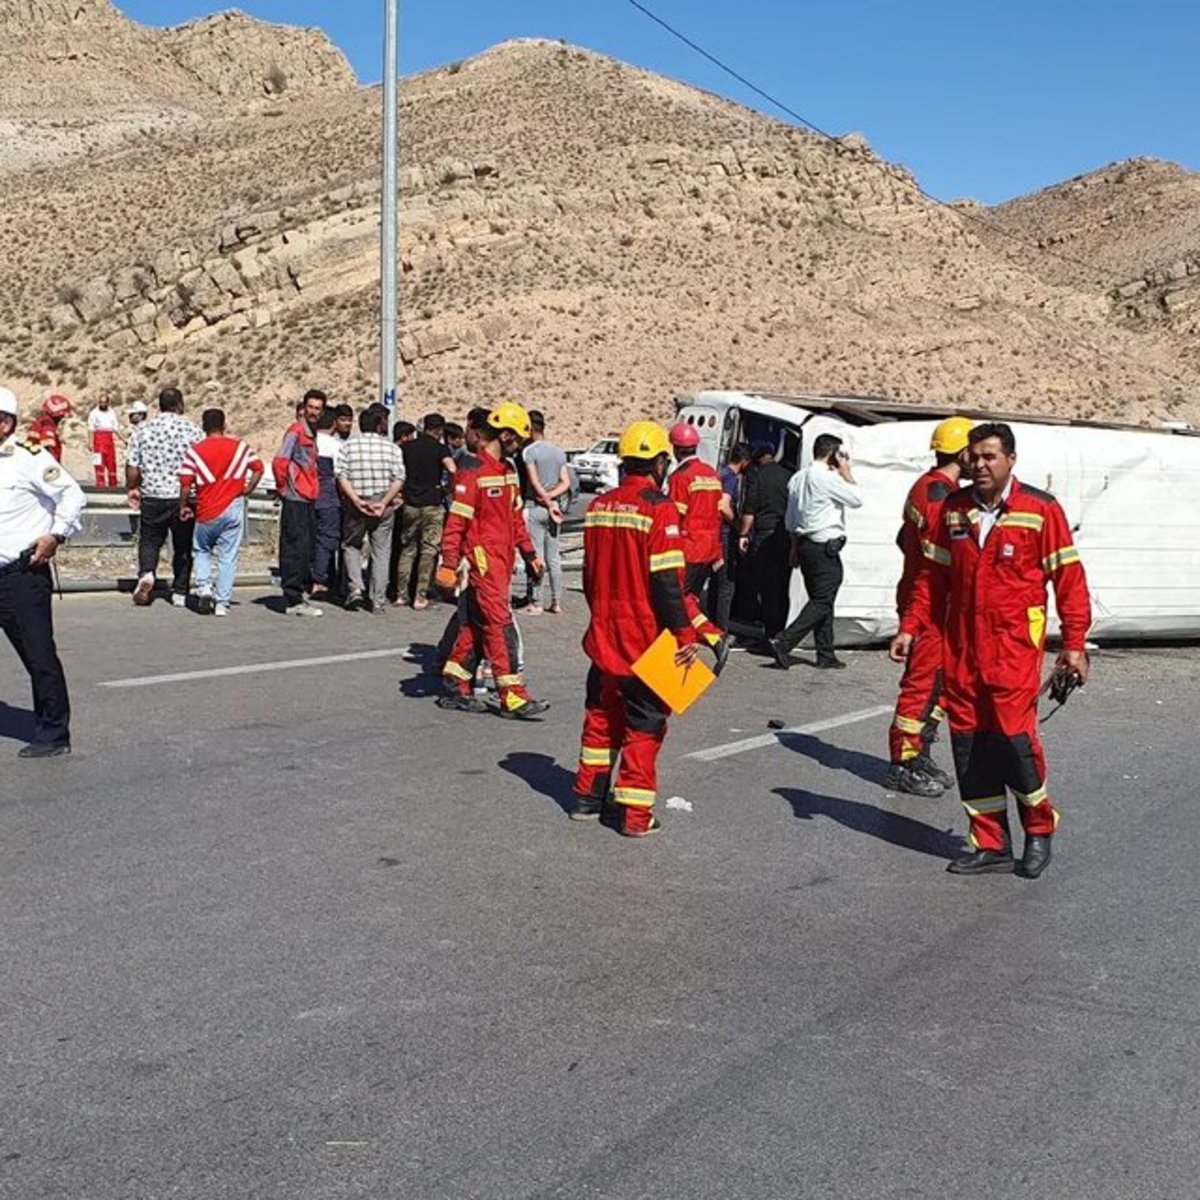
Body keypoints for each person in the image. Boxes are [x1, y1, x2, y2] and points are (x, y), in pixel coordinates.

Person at [890, 422, 1092, 879]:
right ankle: (990, 842)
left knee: (1015, 743)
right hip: (961, 651)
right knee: (970, 746)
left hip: (1012, 652)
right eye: (975, 457)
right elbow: (931, 580)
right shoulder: (954, 510)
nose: (980, 465)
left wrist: (1075, 644)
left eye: (990, 457)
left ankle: (1039, 831)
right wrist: (910, 627)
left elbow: (1070, 581)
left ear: (1010, 460)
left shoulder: (1040, 510)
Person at [571, 421, 703, 836]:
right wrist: (685, 635)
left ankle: (587, 800)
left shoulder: (599, 507)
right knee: (645, 726)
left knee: (600, 718)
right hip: (644, 638)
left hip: (604, 634)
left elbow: (590, 577)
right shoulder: (658, 508)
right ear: (660, 462)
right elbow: (666, 583)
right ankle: (634, 816)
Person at [435, 402, 548, 719]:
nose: (521, 447)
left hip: (504, 560)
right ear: (508, 435)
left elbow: (514, 520)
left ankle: (456, 680)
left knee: (475, 624)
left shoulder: (509, 472)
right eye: (520, 440)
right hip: (484, 561)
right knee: (500, 625)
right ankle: (512, 694)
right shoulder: (472, 472)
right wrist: (448, 564)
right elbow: (456, 523)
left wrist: (530, 554)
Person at [884, 416, 974, 797]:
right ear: (964, 453)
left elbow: (904, 539)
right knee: (923, 684)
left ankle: (918, 752)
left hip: (925, 598)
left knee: (941, 684)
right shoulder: (940, 497)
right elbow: (945, 559)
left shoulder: (925, 487)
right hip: (931, 604)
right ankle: (903, 764)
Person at [0, 385, 85, 758]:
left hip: (20, 575)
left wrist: (55, 535)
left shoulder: (30, 458)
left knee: (37, 654)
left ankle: (54, 732)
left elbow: (72, 494)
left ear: (5, 423)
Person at [769, 433, 863, 671]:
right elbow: (857, 499)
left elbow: (790, 519)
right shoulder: (827, 478)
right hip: (823, 546)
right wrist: (846, 471)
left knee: (823, 600)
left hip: (804, 544)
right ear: (833, 454)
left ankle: (825, 653)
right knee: (822, 599)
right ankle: (784, 641)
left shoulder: (798, 478)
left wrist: (794, 548)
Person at [178, 408, 263, 617]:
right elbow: (258, 468)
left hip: (207, 509)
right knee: (228, 555)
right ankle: (222, 602)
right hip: (233, 505)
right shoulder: (240, 447)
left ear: (203, 427)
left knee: (202, 550)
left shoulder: (195, 451)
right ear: (224, 425)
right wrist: (248, 489)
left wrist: (183, 506)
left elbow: (186, 483)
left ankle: (205, 587)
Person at [126, 386, 202, 607]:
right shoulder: (192, 430)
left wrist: (132, 487)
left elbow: (132, 464)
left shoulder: (143, 429)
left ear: (159, 405)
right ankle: (179, 591)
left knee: (149, 539)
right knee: (182, 544)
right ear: (180, 404)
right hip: (183, 496)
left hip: (153, 494)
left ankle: (147, 573)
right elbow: (200, 463)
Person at [336, 403, 407, 613]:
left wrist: (356, 500)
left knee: (351, 546)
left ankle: (356, 588)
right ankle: (377, 599)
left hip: (356, 501)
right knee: (381, 551)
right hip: (382, 503)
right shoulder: (392, 448)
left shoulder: (348, 447)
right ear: (379, 424)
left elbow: (341, 475)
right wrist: (384, 501)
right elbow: (399, 478)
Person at [666, 422, 728, 659]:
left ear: (675, 449)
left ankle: (710, 636)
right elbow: (717, 512)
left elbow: (674, 516)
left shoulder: (680, 478)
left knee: (675, 598)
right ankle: (708, 635)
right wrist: (718, 552)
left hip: (688, 549)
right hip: (709, 550)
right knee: (690, 598)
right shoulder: (711, 473)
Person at [271, 388, 326, 616]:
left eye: (317, 409)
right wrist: (284, 487)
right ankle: (293, 599)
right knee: (295, 547)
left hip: (307, 498)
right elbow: (280, 461)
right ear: (304, 408)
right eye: (310, 407)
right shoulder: (295, 432)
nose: (313, 412)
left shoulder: (311, 434)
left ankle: (297, 595)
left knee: (305, 548)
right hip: (296, 499)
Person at [397, 411, 455, 610]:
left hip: (410, 504)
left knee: (408, 550)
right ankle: (420, 596)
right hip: (432, 504)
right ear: (439, 430)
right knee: (429, 551)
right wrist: (447, 488)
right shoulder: (440, 449)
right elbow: (453, 469)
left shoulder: (407, 447)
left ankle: (401, 595)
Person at [738, 440, 792, 641]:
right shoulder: (788, 475)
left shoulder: (756, 475)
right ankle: (780, 631)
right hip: (784, 534)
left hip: (763, 534)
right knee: (781, 585)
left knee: (766, 586)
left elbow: (750, 508)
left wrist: (743, 535)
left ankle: (769, 632)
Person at [522, 409, 571, 615]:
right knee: (554, 557)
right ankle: (556, 602)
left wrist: (544, 498)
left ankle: (536, 601)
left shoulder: (529, 452)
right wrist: (553, 500)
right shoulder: (558, 451)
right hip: (555, 510)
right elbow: (565, 482)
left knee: (537, 556)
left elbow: (533, 480)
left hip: (536, 507)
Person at [707, 442, 750, 631]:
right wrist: (738, 525)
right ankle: (721, 630)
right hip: (724, 535)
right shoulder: (731, 478)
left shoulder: (719, 473)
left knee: (715, 583)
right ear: (744, 461)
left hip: (713, 533)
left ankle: (709, 624)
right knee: (726, 584)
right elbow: (724, 506)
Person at [310, 408, 344, 600]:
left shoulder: (309, 441)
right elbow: (340, 475)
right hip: (328, 497)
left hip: (307, 495)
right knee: (327, 539)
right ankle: (320, 581)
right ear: (333, 424)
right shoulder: (335, 445)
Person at [27, 394, 72, 463]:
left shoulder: (40, 421)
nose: (62, 417)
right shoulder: (48, 425)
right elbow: (48, 448)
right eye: (62, 415)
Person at [86, 396, 120, 486]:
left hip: (109, 439)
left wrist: (123, 439)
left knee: (111, 462)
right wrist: (90, 442)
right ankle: (100, 484)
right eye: (101, 402)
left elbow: (115, 428)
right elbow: (90, 428)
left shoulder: (111, 412)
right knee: (98, 462)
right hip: (98, 439)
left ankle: (113, 484)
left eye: (104, 402)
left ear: (108, 403)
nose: (102, 404)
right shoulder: (94, 413)